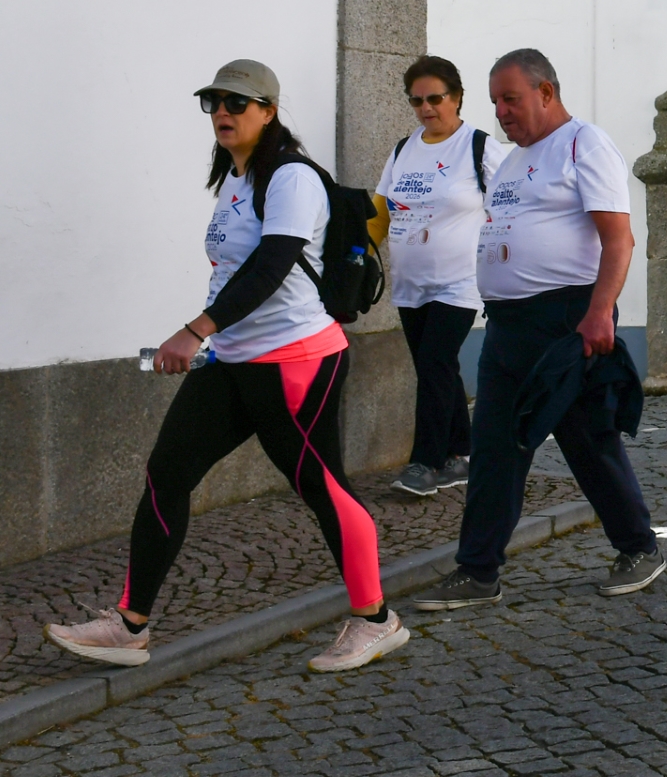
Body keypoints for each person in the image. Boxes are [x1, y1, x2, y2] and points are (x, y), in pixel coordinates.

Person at [46, 60, 408, 673]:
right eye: (214, 102)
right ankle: (130, 625)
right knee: (167, 471)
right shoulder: (236, 181)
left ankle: (376, 621)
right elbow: (233, 270)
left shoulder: (290, 177)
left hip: (297, 361)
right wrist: (213, 339)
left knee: (321, 488)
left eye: (237, 103)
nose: (222, 112)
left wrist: (194, 330)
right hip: (236, 359)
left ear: (269, 110)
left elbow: (271, 269)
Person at [414, 49, 663, 609]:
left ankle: (639, 546)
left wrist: (600, 311)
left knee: (587, 440)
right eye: (495, 101)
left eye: (511, 99)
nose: (501, 111)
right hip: (507, 323)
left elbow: (618, 239)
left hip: (566, 317)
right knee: (496, 447)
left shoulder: (584, 144)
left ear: (546, 93)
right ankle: (478, 571)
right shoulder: (511, 160)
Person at [375, 55, 508, 497]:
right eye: (416, 101)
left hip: (460, 281)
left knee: (433, 364)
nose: (426, 108)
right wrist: (357, 253)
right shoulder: (403, 150)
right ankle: (460, 455)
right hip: (411, 283)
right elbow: (380, 210)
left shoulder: (480, 148)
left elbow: (512, 208)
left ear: (456, 97)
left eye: (435, 98)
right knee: (437, 367)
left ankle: (424, 464)